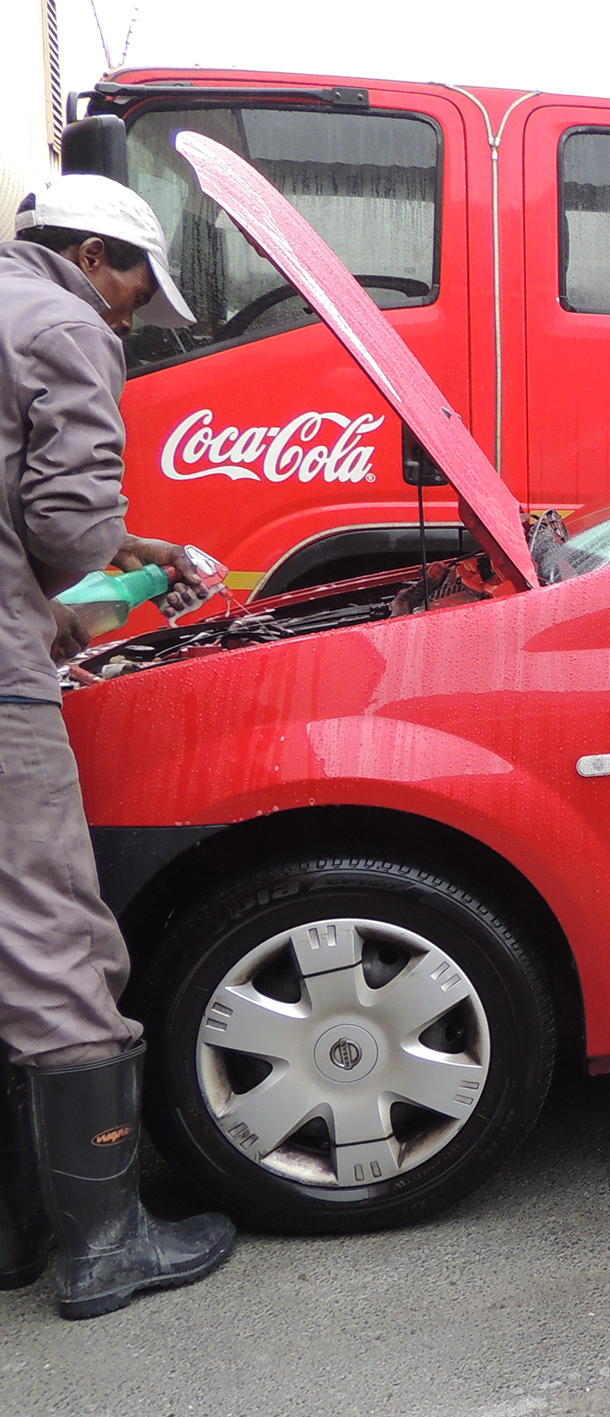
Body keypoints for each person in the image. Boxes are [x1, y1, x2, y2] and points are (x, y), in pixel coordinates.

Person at [0, 174, 235, 1320]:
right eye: (138, 287)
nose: (134, 314)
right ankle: (106, 1248)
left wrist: (89, 579)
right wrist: (124, 562)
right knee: (56, 937)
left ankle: (16, 1226)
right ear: (94, 255)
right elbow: (64, 525)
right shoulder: (63, 322)